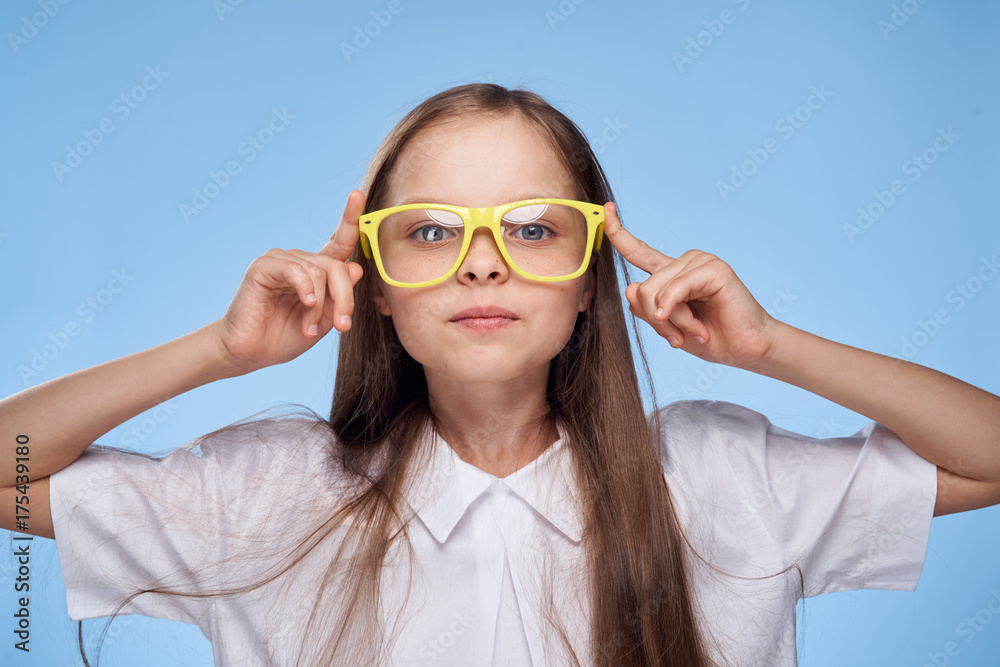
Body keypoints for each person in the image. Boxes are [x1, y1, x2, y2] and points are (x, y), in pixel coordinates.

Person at [1, 83, 998, 667]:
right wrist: (222, 350)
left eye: (531, 229)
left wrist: (769, 344)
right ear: (378, 284)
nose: (484, 262)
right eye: (431, 231)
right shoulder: (275, 492)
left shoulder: (721, 477)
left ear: (586, 282)